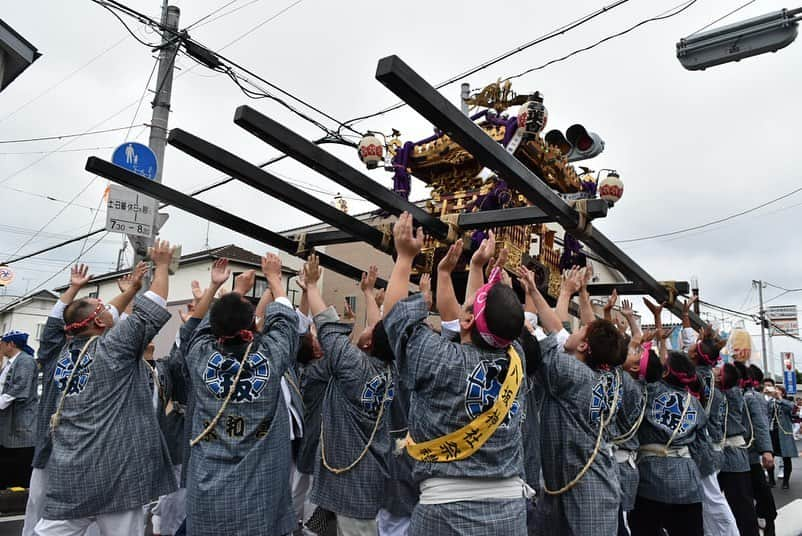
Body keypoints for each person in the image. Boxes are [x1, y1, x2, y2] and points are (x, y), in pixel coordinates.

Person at [382, 213, 529, 536]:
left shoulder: (440, 358)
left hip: (446, 513)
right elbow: (478, 317)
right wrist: (478, 269)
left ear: (465, 322)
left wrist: (405, 256)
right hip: (510, 511)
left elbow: (395, 318)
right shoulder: (516, 358)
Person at [34, 241, 177, 536]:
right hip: (118, 475)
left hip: (69, 475)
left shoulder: (55, 352)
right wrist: (162, 266)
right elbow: (153, 309)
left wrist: (131, 289)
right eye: (104, 307)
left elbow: (102, 313)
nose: (112, 306)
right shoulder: (113, 348)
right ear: (99, 321)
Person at [182, 254, 299, 536]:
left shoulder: (198, 356)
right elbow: (285, 322)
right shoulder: (271, 357)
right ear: (252, 327)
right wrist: (274, 278)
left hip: (207, 492)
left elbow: (198, 328)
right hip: (261, 496)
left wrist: (233, 292)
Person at [303, 257, 395, 536]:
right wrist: (368, 294)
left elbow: (328, 326)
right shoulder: (392, 369)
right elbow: (382, 333)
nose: (369, 324)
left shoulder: (354, 365)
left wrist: (311, 287)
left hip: (350, 477)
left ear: (368, 343)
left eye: (369, 328)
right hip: (368, 470)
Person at [629, 351, 708, 536]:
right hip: (688, 480)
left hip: (650, 477)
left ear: (664, 372)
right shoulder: (695, 404)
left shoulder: (647, 391)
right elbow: (702, 446)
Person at [717, 361, 760, 536]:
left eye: (719, 373)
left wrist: (766, 451)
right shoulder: (723, 393)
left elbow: (760, 425)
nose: (716, 374)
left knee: (742, 504)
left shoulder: (732, 394)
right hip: (718, 455)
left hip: (734, 455)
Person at [0, 330, 38, 489]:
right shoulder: (11, 362)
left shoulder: (25, 361)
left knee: (19, 458)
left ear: (11, 344)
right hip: (8, 419)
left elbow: (20, 387)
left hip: (21, 421)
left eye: (2, 343)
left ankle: (17, 495)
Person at [742, 364, 777, 536]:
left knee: (758, 490)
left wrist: (766, 450)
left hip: (750, 452)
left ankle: (767, 522)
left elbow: (761, 424)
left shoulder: (752, 397)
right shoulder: (742, 395)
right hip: (742, 453)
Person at [768, 385, 798, 489]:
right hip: (772, 433)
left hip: (784, 433)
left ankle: (786, 481)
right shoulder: (771, 402)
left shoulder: (786, 402)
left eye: (778, 390)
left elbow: (791, 408)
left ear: (783, 393)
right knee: (770, 456)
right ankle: (771, 480)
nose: (775, 391)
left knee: (786, 458)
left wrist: (780, 398)